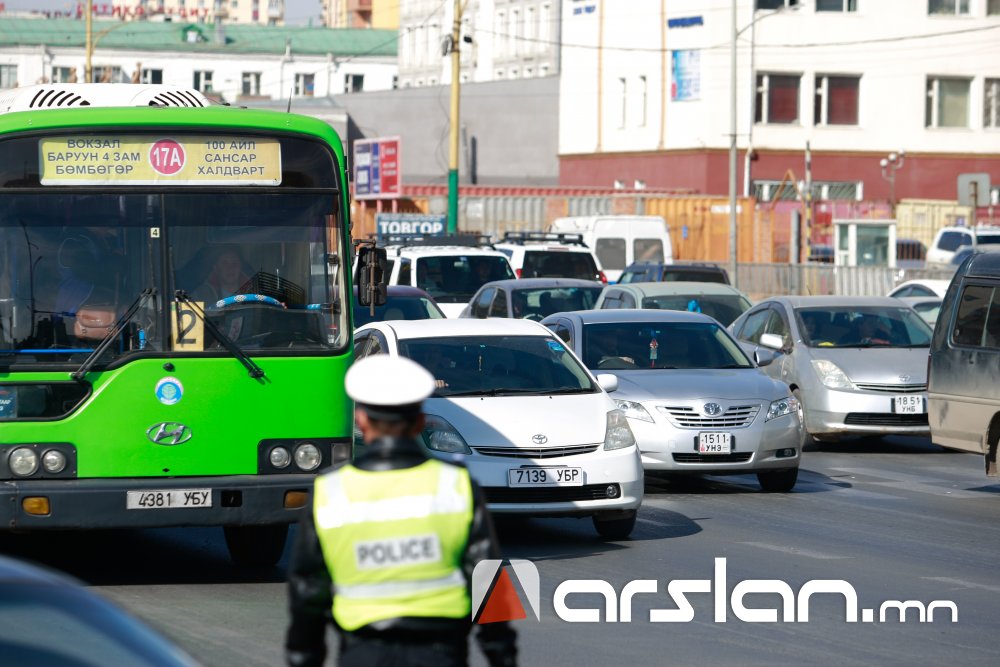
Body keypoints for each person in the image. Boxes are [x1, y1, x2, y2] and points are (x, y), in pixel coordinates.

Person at [285, 355, 517, 667]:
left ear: (361, 420)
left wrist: (304, 658)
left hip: (363, 654)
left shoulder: (331, 491)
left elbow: (308, 592)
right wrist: (502, 656)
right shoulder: (456, 485)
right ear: (420, 421)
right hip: (440, 654)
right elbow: (488, 581)